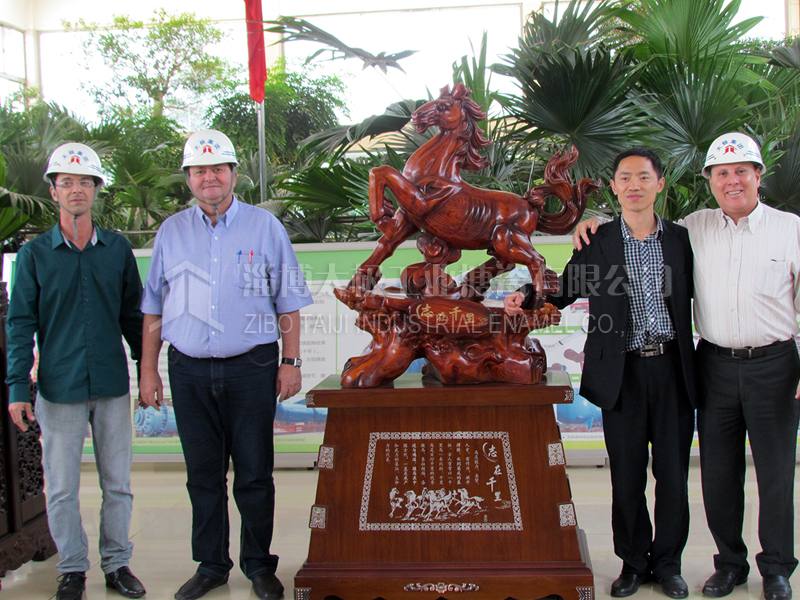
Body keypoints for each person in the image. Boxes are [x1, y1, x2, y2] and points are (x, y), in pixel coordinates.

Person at [573, 133, 800, 600]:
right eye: (722, 173)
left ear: (758, 175)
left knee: (749, 475)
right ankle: (690, 564)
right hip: (674, 369)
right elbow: (580, 273)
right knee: (689, 475)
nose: (732, 181)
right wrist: (586, 225)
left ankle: (749, 568)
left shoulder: (770, 230)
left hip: (738, 367)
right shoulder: (675, 230)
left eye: (741, 171)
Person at [506, 148, 696, 599]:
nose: (634, 185)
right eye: (625, 177)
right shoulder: (597, 240)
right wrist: (526, 296)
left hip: (672, 370)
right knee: (626, 477)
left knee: (673, 477)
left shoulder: (682, 239)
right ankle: (633, 563)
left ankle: (668, 565)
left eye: (643, 177)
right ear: (613, 187)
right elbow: (565, 288)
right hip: (621, 374)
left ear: (659, 184)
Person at [138, 130, 313, 600]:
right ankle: (212, 565)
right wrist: (148, 371)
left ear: (234, 174)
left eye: (217, 168)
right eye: (199, 170)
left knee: (254, 472)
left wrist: (291, 361)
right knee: (203, 475)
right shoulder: (171, 232)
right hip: (188, 369)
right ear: (189, 179)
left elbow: (288, 300)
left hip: (252, 367)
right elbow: (153, 307)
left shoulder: (264, 227)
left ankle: (259, 565)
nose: (209, 177)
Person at [6, 143, 146, 600]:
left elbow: (133, 317)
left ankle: (117, 564)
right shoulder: (34, 255)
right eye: (67, 182)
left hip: (110, 385)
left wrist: (147, 372)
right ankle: (71, 570)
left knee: (117, 485)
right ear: (53, 191)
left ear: (96, 189)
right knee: (62, 488)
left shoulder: (117, 250)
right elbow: (20, 324)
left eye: (85, 181)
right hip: (57, 388)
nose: (76, 190)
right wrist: (17, 387)